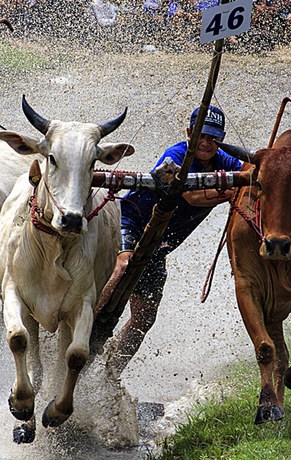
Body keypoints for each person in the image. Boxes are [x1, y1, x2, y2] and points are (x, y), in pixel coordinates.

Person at [101, 105, 242, 379]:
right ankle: (88, 338)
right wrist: (231, 191)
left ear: (222, 139)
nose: (206, 143)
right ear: (189, 133)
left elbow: (248, 172)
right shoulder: (176, 155)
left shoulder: (224, 161)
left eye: (213, 138)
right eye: (200, 135)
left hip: (159, 246)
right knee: (123, 268)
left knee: (144, 318)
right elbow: (191, 197)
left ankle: (110, 373)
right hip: (131, 221)